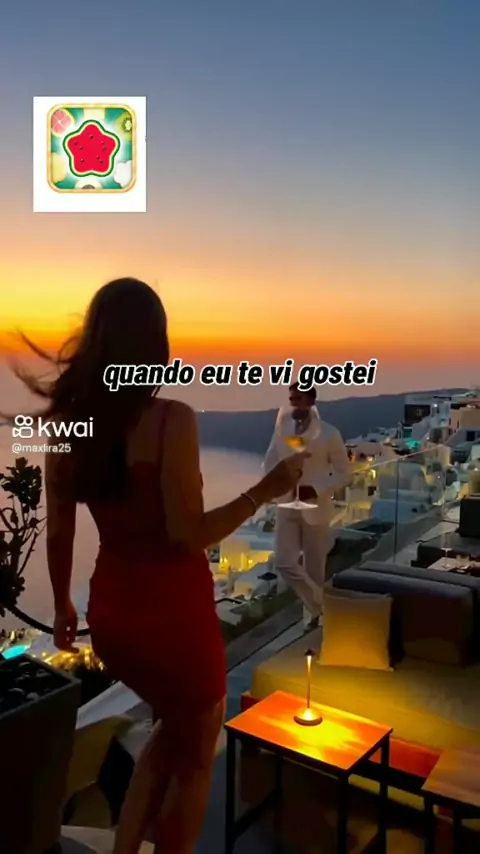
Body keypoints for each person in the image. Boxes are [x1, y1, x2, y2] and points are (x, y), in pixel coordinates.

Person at [13, 279, 308, 854]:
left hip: (114, 617)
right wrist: (265, 490)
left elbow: (61, 529)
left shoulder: (68, 427)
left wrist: (65, 603)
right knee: (195, 761)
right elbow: (187, 536)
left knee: (172, 729)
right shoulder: (172, 421)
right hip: (175, 621)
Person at [263, 382, 351, 629]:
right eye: (291, 400)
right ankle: (321, 604)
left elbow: (344, 473)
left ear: (311, 402)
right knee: (284, 562)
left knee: (314, 568)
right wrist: (273, 486)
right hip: (287, 504)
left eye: (298, 400)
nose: (293, 405)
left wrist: (316, 489)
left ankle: (312, 619)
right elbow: (269, 462)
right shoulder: (283, 430)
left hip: (316, 507)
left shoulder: (329, 433)